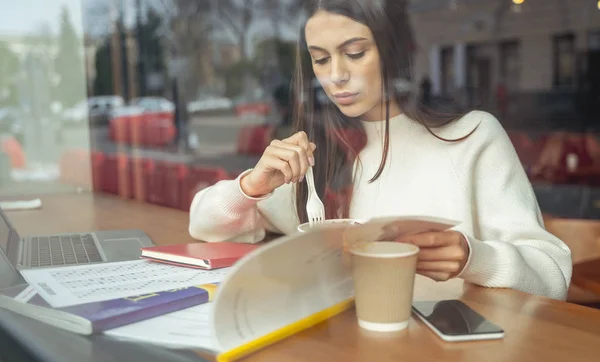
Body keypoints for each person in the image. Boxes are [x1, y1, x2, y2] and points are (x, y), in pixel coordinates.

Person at [189, 0, 571, 300]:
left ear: (395, 52)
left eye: (355, 53)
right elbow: (206, 226)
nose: (336, 75)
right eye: (320, 59)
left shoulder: (471, 136)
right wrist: (251, 187)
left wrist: (476, 258)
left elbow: (552, 275)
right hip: (344, 351)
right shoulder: (318, 152)